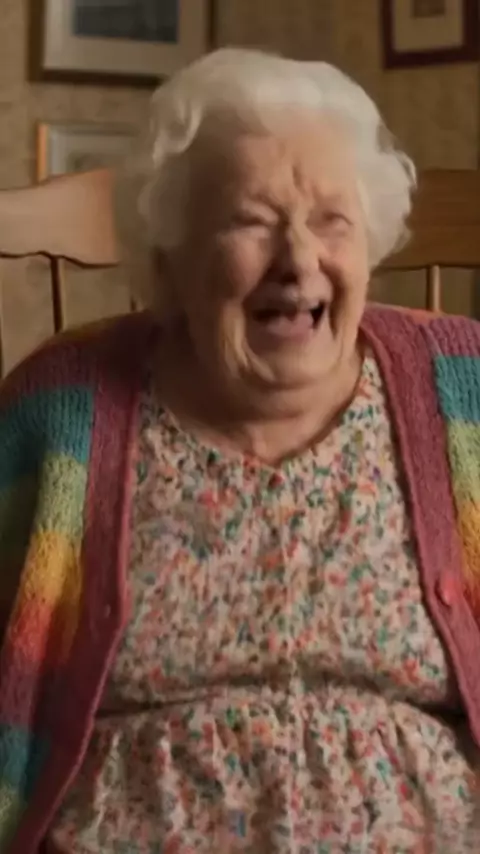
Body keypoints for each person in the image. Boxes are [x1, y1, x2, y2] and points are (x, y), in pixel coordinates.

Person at [1, 47, 480, 854]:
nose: (299, 260)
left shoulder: (463, 389)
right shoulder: (62, 407)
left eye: (332, 220)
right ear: (171, 257)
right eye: (251, 221)